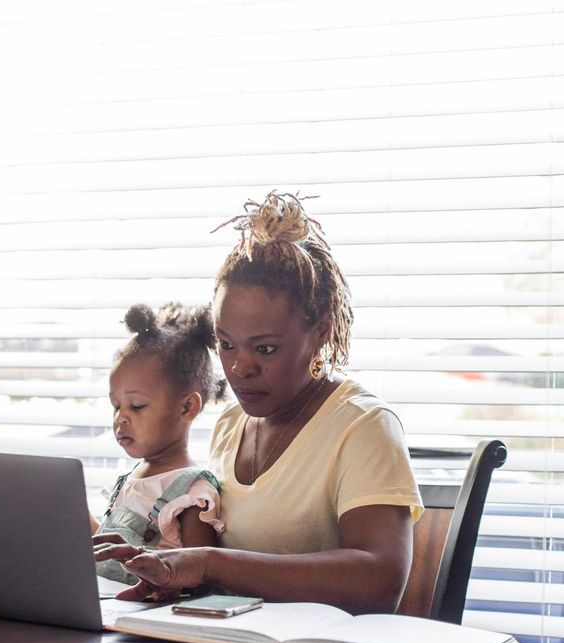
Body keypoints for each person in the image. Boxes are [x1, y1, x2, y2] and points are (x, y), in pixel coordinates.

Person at [94, 192, 423, 614]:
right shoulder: (231, 423)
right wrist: (155, 563)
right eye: (226, 344)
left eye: (265, 349)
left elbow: (380, 582)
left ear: (321, 332)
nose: (239, 368)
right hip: (231, 640)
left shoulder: (363, 425)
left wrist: (208, 565)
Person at [91, 303, 229, 584]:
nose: (120, 418)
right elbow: (107, 558)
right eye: (116, 406)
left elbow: (200, 575)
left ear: (187, 407)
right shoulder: (129, 480)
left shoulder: (191, 492)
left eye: (137, 406)